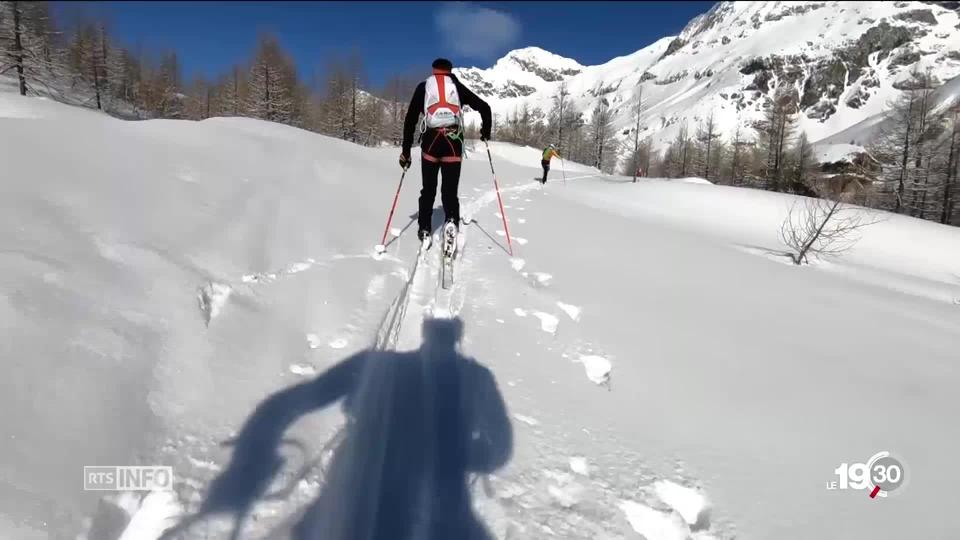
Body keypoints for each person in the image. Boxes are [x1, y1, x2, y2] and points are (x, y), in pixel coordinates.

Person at [401, 58, 492, 244]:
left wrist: (406, 152)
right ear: (450, 71)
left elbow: (410, 120)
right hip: (453, 143)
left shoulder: (424, 86)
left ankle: (425, 228)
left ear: (434, 70)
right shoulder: (457, 87)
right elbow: (485, 107)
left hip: (430, 142)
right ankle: (451, 220)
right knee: (449, 191)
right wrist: (485, 132)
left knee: (428, 189)